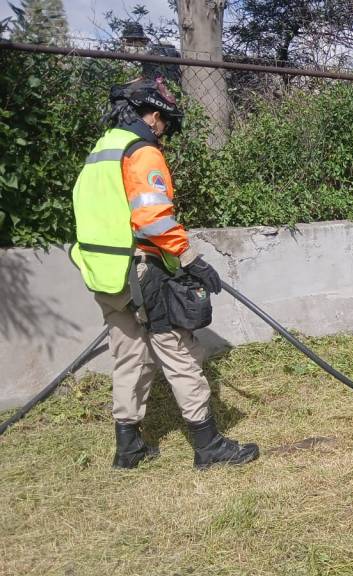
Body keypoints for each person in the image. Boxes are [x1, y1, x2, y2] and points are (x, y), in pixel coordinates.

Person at [70, 78, 258, 470]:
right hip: (141, 269)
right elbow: (153, 219)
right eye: (165, 124)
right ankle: (208, 445)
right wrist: (192, 259)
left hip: (104, 272)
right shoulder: (141, 151)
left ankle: (128, 447)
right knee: (178, 351)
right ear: (153, 116)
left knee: (128, 354)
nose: (164, 132)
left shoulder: (101, 151)